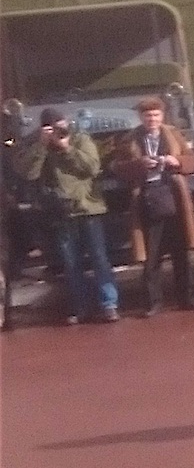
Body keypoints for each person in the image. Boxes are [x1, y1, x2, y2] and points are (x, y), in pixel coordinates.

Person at [14, 107, 120, 324]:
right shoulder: (36, 144)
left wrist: (67, 147)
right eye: (51, 126)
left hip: (88, 208)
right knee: (71, 264)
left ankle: (109, 304)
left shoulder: (80, 138)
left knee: (99, 258)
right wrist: (42, 145)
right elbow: (28, 173)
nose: (57, 130)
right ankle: (79, 307)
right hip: (60, 212)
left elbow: (92, 167)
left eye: (60, 124)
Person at [112, 97, 194, 317]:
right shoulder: (130, 139)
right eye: (147, 116)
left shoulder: (173, 134)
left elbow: (193, 160)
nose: (152, 119)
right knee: (151, 257)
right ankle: (153, 303)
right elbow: (117, 167)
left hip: (175, 199)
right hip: (147, 201)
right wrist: (139, 165)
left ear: (162, 116)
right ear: (141, 117)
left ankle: (187, 298)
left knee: (181, 253)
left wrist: (177, 162)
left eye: (155, 115)